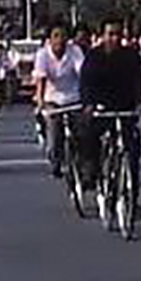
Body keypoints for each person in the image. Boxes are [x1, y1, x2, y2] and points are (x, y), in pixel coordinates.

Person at [78, 18, 141, 208]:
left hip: (125, 109)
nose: (114, 38)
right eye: (110, 34)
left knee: (132, 150)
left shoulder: (131, 56)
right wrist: (89, 104)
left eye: (118, 34)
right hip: (101, 109)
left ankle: (132, 199)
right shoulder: (93, 56)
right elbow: (86, 83)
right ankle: (91, 169)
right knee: (88, 133)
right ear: (102, 36)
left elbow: (140, 82)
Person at [32, 23, 86, 178]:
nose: (59, 40)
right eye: (55, 36)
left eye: (63, 36)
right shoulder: (42, 55)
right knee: (55, 135)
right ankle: (56, 162)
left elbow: (82, 72)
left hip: (74, 97)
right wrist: (40, 103)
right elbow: (41, 80)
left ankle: (80, 162)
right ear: (49, 39)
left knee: (82, 133)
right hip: (53, 99)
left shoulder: (75, 51)